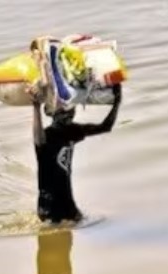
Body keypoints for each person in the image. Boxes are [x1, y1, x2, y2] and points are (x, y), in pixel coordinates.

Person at [32, 83, 122, 224]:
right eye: (63, 106)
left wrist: (117, 102)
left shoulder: (72, 131)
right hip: (49, 207)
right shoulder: (46, 136)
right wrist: (35, 107)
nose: (70, 109)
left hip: (69, 205)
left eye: (71, 107)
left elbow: (106, 127)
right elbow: (37, 137)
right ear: (51, 111)